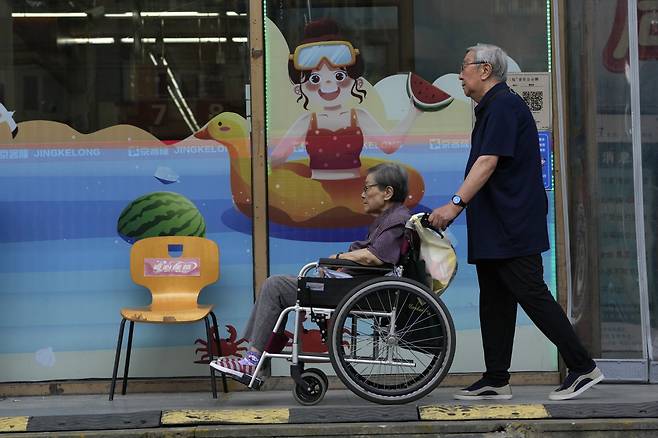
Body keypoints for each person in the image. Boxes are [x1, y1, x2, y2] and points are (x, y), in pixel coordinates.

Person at [428, 44, 603, 401]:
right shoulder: (490, 108)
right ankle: (496, 378)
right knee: (494, 299)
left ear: (486, 70)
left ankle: (583, 367)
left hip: (513, 223)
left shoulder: (505, 106)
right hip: (495, 223)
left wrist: (455, 205)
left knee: (531, 293)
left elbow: (487, 162)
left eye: (464, 67)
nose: (460, 74)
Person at [210, 162, 411, 382]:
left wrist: (337, 259)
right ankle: (257, 361)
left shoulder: (397, 220)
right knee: (278, 287)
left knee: (274, 286)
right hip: (351, 285)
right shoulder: (391, 219)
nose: (362, 194)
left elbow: (374, 257)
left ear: (387, 192)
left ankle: (253, 361)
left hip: (353, 291)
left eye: (367, 188)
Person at [269, 17, 420, 180]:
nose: (327, 83)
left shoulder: (358, 116)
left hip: (354, 191)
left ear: (358, 82)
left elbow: (389, 146)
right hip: (316, 191)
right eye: (315, 79)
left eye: (339, 76)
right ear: (299, 89)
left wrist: (414, 110)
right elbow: (277, 158)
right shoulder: (307, 120)